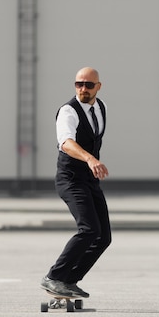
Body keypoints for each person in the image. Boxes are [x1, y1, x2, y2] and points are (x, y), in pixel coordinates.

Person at [40, 67, 112, 298]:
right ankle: (54, 277)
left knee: (103, 238)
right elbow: (66, 142)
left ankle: (69, 281)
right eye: (78, 84)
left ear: (98, 87)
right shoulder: (68, 111)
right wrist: (90, 158)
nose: (83, 89)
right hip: (70, 179)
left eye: (89, 85)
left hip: (90, 180)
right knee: (89, 229)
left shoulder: (101, 108)